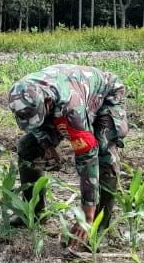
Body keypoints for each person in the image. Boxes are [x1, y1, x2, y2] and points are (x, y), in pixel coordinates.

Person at [7, 64, 128, 241]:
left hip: (106, 95)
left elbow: (88, 159)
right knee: (28, 148)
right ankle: (33, 212)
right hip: (66, 96)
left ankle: (97, 226)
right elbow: (34, 124)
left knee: (104, 154)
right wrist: (46, 145)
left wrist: (86, 215)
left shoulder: (72, 111)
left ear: (47, 104)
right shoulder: (20, 95)